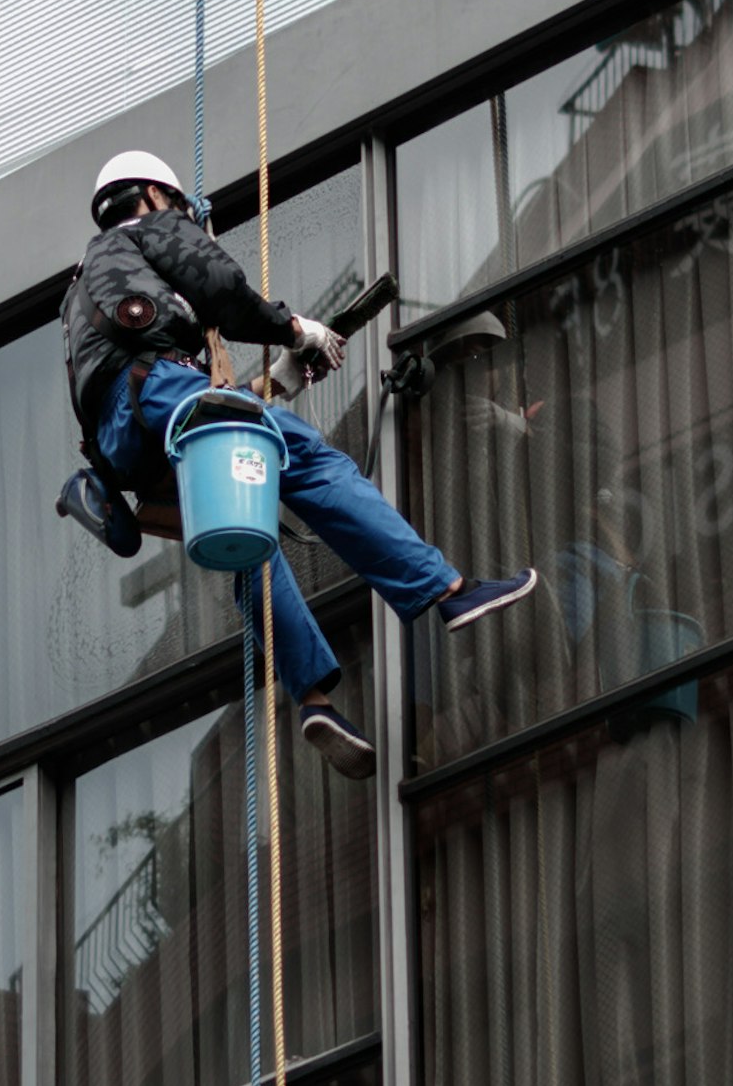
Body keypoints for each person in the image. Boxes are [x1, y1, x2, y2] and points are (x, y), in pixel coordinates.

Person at [58, 139, 533, 769]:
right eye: (173, 204)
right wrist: (294, 327)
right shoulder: (147, 229)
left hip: (132, 446)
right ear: (150, 196)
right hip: (165, 390)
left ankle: (313, 698)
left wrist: (276, 383)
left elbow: (152, 390)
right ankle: (445, 589)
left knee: (243, 527)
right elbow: (218, 286)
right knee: (313, 463)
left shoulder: (76, 299)